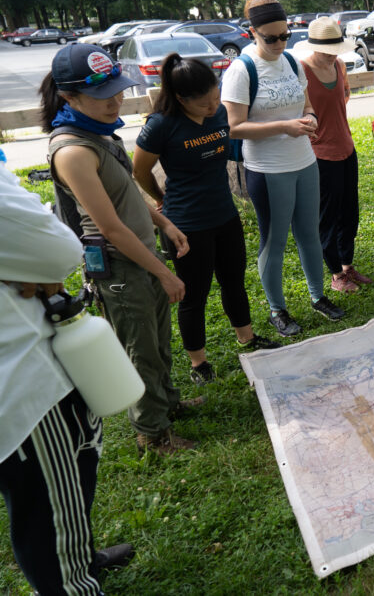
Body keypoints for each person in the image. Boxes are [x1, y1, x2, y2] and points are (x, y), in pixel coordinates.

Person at [43, 43, 201, 454]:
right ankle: (152, 434)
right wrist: (164, 273)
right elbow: (111, 228)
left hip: (143, 254)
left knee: (158, 342)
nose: (115, 102)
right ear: (70, 97)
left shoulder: (98, 133)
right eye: (102, 96)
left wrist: (164, 222)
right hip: (120, 267)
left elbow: (126, 192)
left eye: (116, 91)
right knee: (140, 351)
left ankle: (167, 404)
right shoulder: (73, 151)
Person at [1, 165, 135, 594]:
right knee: (47, 506)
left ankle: (81, 554)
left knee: (70, 477)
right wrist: (34, 261)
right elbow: (58, 248)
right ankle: (73, 580)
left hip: (36, 361)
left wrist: (29, 261)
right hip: (23, 386)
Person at [133, 55, 280, 386]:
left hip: (224, 214)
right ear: (181, 99)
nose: (214, 107)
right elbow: (139, 170)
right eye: (204, 103)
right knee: (194, 294)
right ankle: (199, 363)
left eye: (216, 98)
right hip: (186, 224)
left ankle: (247, 337)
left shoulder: (220, 114)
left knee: (234, 281)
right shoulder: (161, 125)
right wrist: (161, 198)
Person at [221, 0, 346, 336]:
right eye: (270, 38)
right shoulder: (241, 70)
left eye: (285, 35)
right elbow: (234, 127)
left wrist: (310, 118)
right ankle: (278, 310)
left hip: (305, 162)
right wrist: (284, 127)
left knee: (309, 234)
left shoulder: (291, 62)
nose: (279, 43)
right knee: (274, 240)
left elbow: (307, 105)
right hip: (267, 168)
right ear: (252, 33)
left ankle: (318, 297)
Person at [295, 17, 373, 292]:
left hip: (347, 149)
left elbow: (344, 96)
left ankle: (347, 266)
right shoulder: (302, 71)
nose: (332, 55)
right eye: (327, 50)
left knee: (350, 213)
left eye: (335, 49)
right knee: (327, 217)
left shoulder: (339, 65)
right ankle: (335, 274)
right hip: (320, 155)